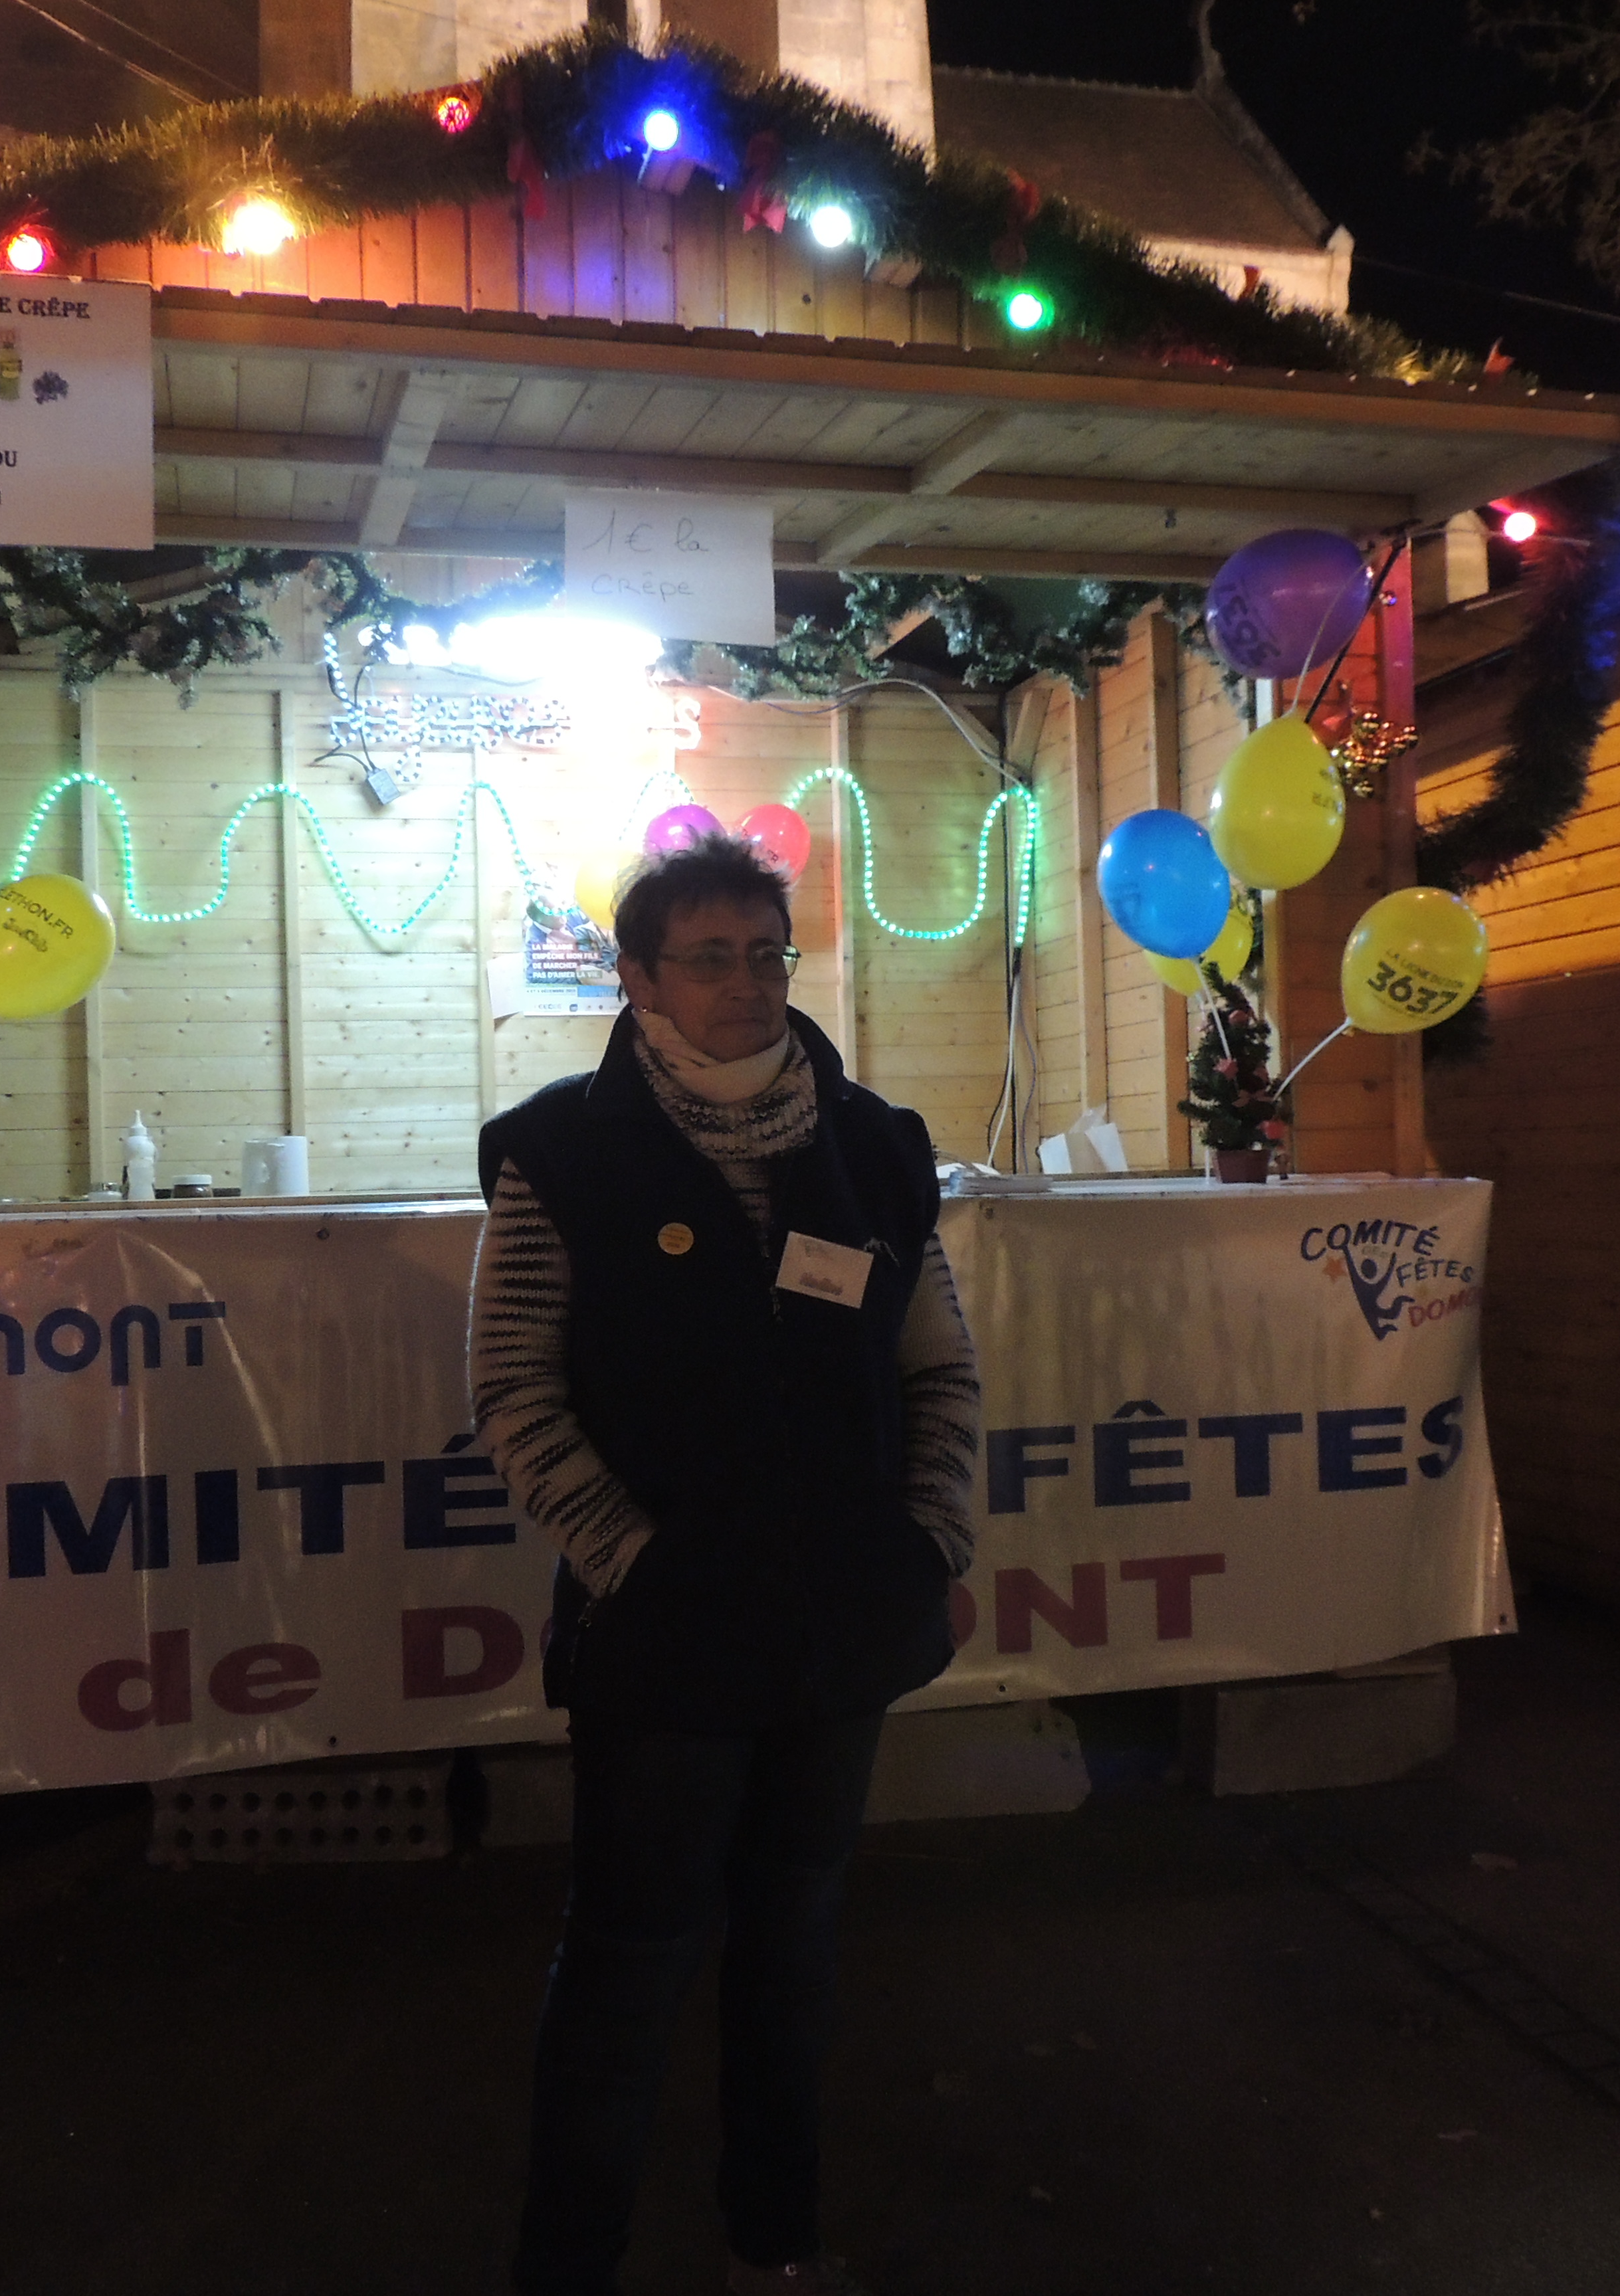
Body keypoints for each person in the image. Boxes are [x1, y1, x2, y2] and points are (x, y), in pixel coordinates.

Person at [471, 834, 981, 2296]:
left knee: (795, 1942)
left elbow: (938, 1368)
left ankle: (775, 2235)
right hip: (666, 1643)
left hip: (841, 1629)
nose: (747, 983)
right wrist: (633, 1565)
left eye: (767, 953)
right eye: (709, 958)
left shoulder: (875, 1147)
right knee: (631, 1962)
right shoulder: (561, 1153)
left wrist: (931, 1537)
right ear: (637, 981)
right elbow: (513, 1394)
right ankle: (569, 2262)